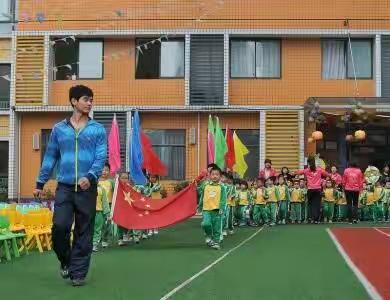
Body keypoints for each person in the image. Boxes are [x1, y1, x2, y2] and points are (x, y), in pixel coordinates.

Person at [33, 85, 107, 286]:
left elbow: (101, 157)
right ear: (74, 101)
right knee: (59, 227)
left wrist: (90, 176)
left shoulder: (98, 129)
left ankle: (78, 273)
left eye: (91, 99)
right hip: (64, 188)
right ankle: (66, 260)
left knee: (84, 231)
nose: (90, 103)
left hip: (86, 189)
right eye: (86, 99)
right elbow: (50, 157)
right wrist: (40, 183)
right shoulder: (59, 129)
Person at [197, 165, 227, 250]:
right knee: (205, 224)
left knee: (217, 227)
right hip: (206, 210)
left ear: (220, 176)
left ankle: (216, 242)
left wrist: (221, 208)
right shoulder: (205, 185)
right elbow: (200, 193)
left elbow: (223, 199)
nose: (214, 176)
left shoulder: (222, 187)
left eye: (217, 174)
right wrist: (200, 206)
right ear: (210, 176)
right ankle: (209, 235)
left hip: (217, 210)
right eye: (213, 174)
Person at [296, 156, 329, 224]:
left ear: (308, 162)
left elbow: (298, 172)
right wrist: (328, 178)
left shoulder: (307, 170)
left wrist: (293, 173)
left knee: (310, 205)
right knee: (317, 204)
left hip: (310, 190)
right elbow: (327, 174)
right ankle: (316, 219)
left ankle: (312, 218)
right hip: (318, 189)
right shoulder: (319, 169)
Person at [99, 163, 115, 248]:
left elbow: (117, 190)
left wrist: (117, 180)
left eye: (106, 170)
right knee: (99, 223)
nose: (104, 172)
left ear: (109, 172)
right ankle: (98, 238)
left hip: (108, 205)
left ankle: (105, 239)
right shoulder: (96, 181)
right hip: (98, 206)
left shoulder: (111, 181)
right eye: (102, 170)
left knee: (107, 223)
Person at [92, 184, 110, 252]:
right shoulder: (85, 187)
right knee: (87, 228)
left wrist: (107, 213)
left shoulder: (101, 189)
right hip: (87, 212)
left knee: (97, 229)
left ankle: (94, 244)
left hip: (99, 212)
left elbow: (105, 202)